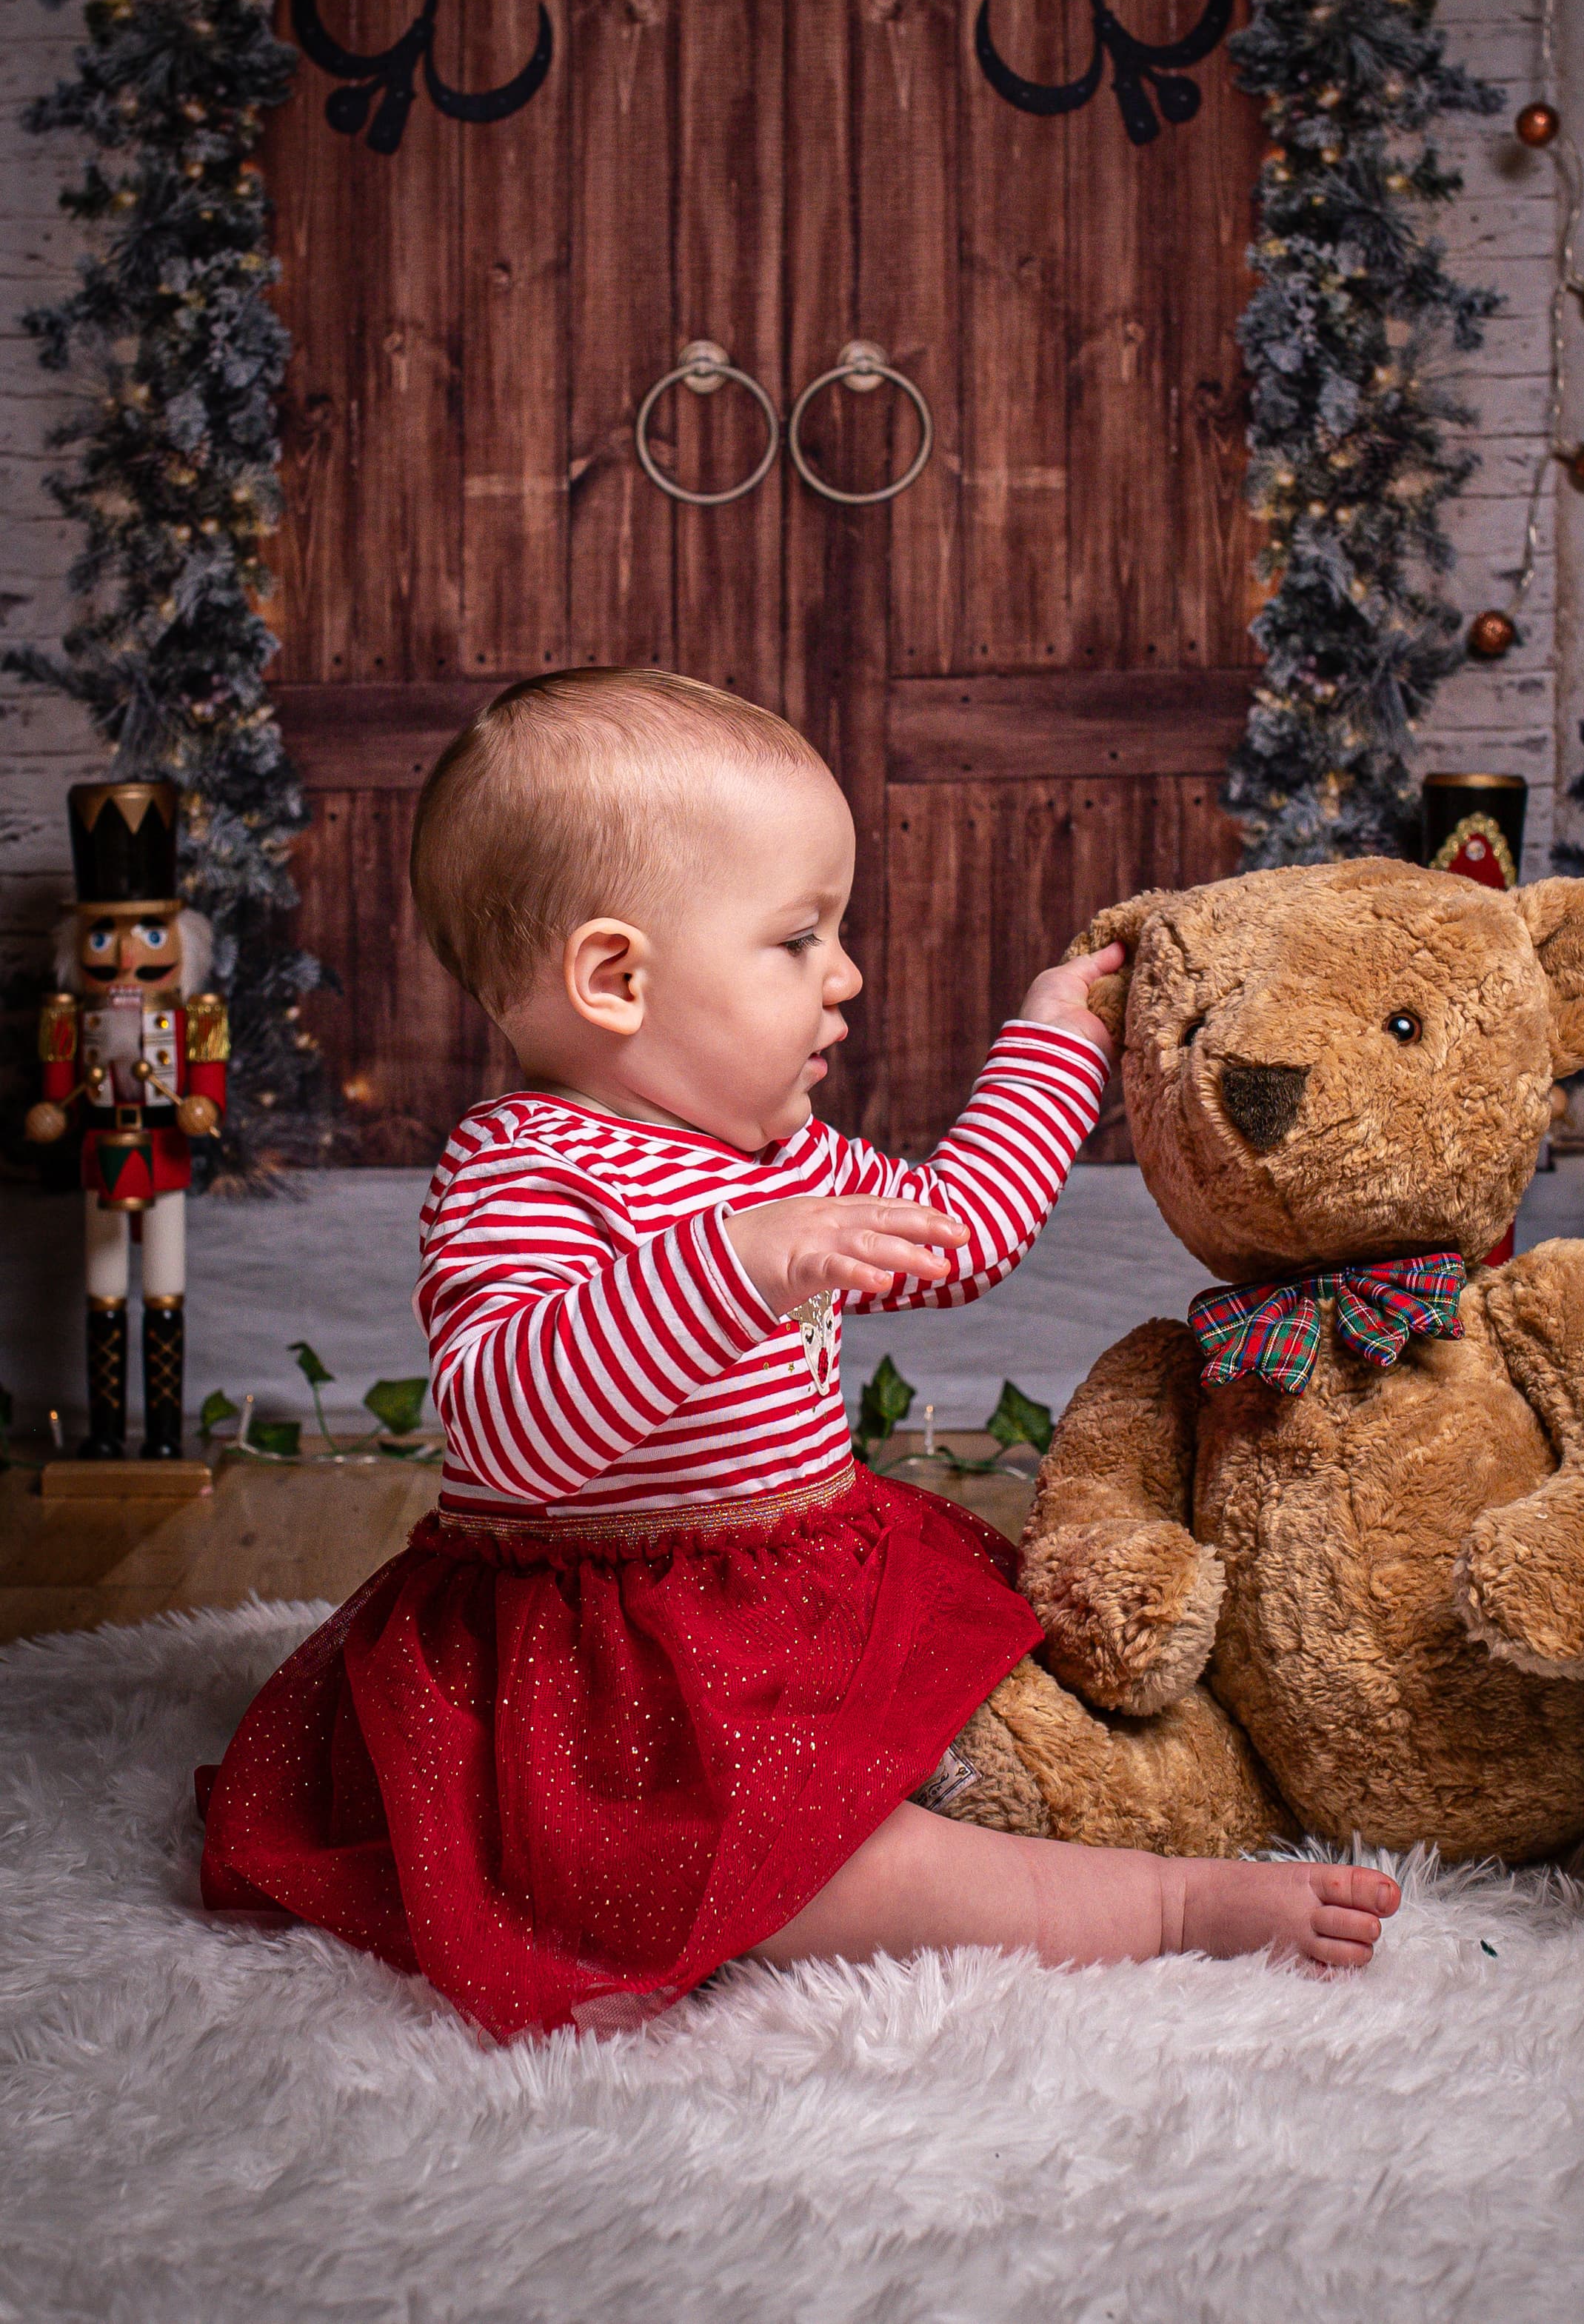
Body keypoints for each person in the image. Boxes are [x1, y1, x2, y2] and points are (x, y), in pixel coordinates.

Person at [199, 668, 1397, 2037]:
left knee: (1015, 1700)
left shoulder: (768, 1152)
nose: (847, 974)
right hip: (615, 1657)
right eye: (797, 938)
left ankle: (1151, 1787)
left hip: (795, 1577)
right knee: (796, 1862)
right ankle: (1159, 1907)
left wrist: (1053, 1041)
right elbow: (504, 1425)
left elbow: (954, 1233)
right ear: (615, 976)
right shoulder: (522, 1168)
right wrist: (737, 1262)